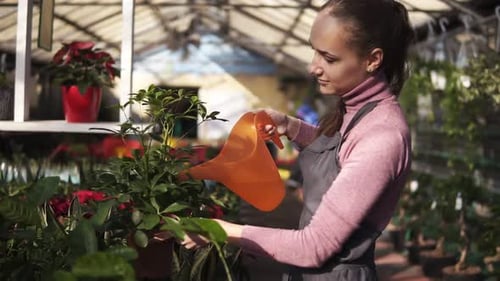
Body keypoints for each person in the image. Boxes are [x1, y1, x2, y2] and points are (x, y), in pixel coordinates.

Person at [176, 0, 414, 280]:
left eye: (329, 58)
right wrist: (290, 126)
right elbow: (340, 155)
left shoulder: (383, 136)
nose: (314, 67)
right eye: (314, 51)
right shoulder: (356, 111)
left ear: (373, 59)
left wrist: (221, 229)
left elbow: (314, 246)